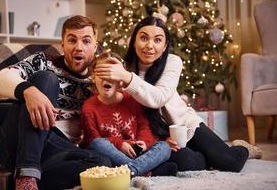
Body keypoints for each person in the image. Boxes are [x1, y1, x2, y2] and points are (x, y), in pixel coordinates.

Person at [93, 17, 251, 173]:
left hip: (184, 125)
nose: (149, 45)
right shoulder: (122, 66)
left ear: (164, 45)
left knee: (231, 163)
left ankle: (243, 147)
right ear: (134, 41)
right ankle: (208, 157)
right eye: (143, 38)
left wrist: (127, 77)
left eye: (157, 40)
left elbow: (158, 98)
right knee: (187, 163)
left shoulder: (172, 62)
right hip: (156, 138)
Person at [0, 15, 111, 190]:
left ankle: (7, 182)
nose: (79, 47)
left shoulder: (98, 78)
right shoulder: (44, 61)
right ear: (62, 44)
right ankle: (26, 172)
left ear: (95, 46)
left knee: (101, 163)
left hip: (56, 152)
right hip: (17, 144)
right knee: (46, 79)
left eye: (86, 41)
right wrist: (30, 91)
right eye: (72, 40)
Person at [81, 52, 177, 176]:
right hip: (114, 154)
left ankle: (131, 170)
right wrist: (120, 144)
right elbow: (91, 140)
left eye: (112, 74)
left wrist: (144, 142)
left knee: (164, 147)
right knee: (97, 144)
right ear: (93, 77)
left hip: (137, 151)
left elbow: (144, 126)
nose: (107, 78)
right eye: (102, 73)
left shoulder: (132, 100)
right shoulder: (89, 107)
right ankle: (143, 171)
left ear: (121, 80)